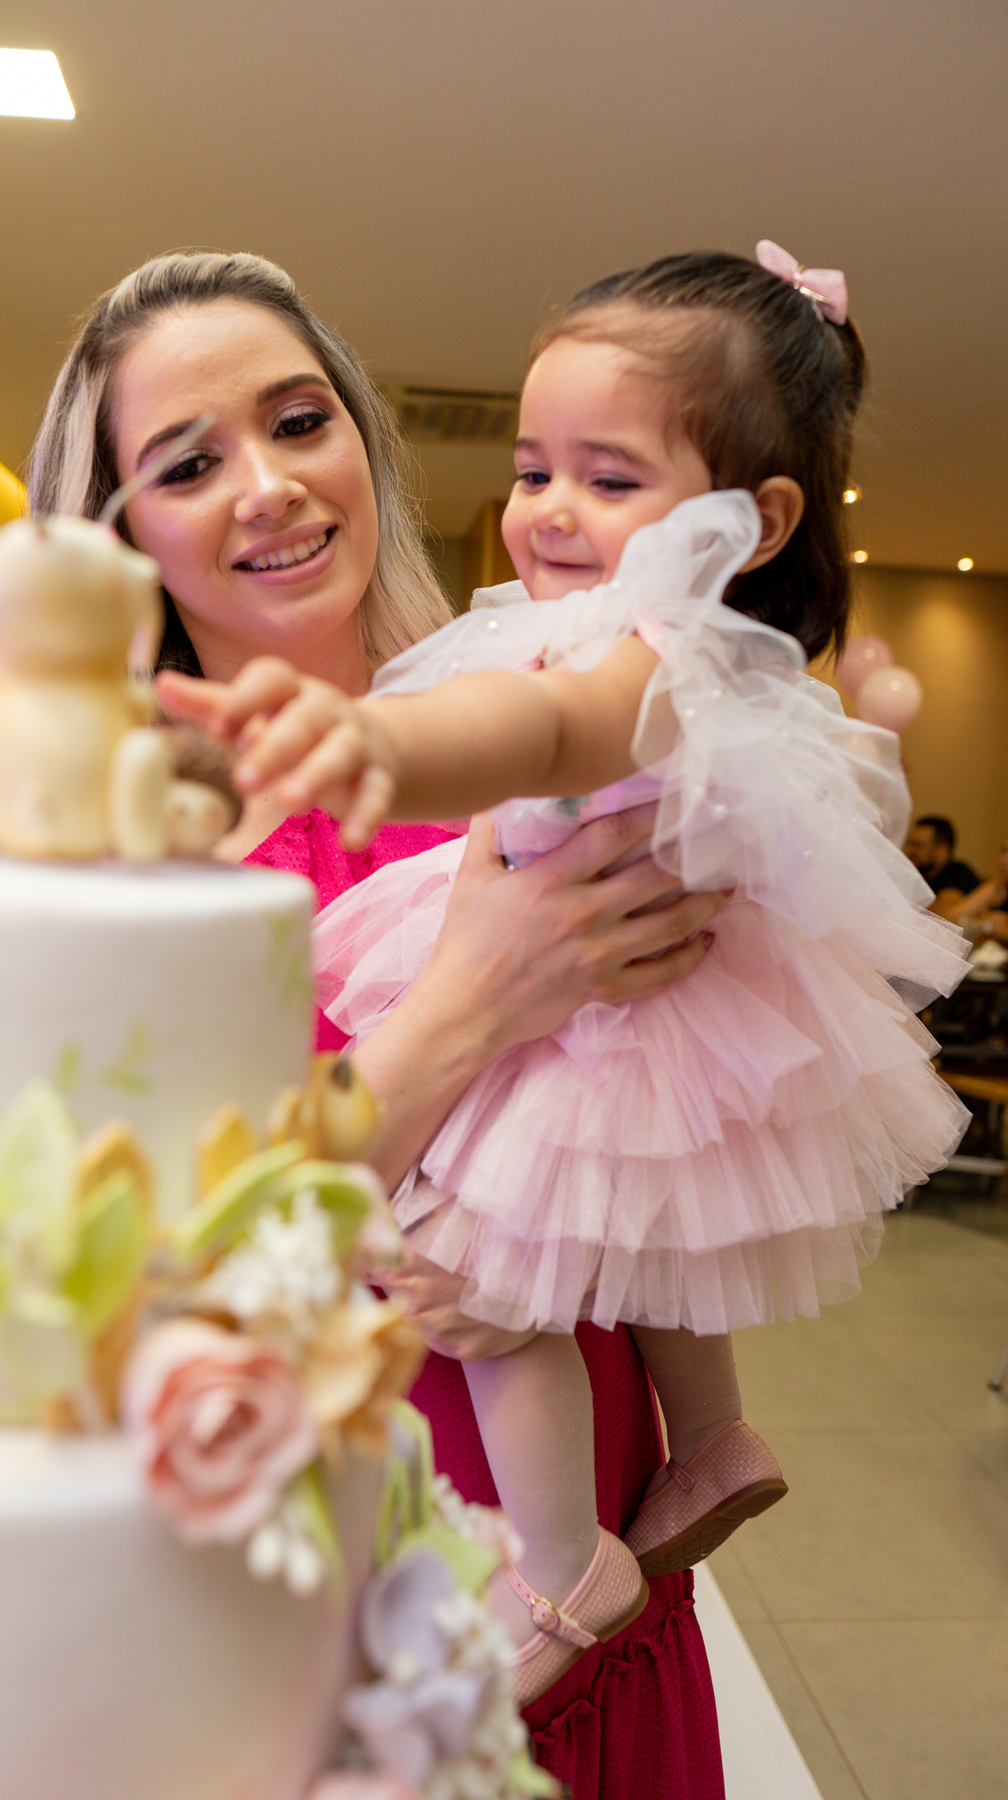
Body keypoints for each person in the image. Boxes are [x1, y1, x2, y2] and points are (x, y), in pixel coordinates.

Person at [174, 246, 972, 1701]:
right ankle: (701, 1444)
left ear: (751, 521)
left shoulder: (625, 658)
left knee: (482, 1277)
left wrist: (375, 746)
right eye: (533, 469)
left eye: (607, 478)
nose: (546, 508)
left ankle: (566, 1558)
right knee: (554, 1256)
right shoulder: (681, 658)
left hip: (589, 1058)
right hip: (319, 1543)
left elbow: (541, 737)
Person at [27, 250, 731, 1797]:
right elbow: (135, 1288)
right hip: (344, 1602)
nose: (270, 485)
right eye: (188, 465)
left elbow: (700, 1137)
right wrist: (474, 1002)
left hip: (595, 1563)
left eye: (301, 422)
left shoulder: (538, 741)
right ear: (119, 540)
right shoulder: (105, 860)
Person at [904, 815, 981, 920]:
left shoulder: (959, 873)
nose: (912, 851)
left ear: (942, 850)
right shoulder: (914, 874)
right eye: (910, 844)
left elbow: (941, 914)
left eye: (919, 846)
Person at [952, 837, 1008, 947]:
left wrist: (993, 929)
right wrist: (986, 924)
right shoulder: (998, 885)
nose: (1003, 860)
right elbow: (950, 920)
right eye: (1004, 851)